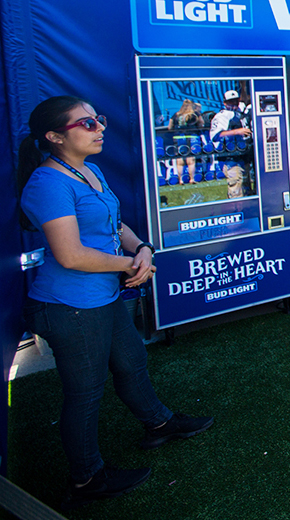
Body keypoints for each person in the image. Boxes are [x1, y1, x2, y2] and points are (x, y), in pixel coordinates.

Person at [18, 96, 214, 510]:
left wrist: (142, 248)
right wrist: (131, 263)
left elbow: (114, 224)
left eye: (99, 120)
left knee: (130, 362)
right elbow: (71, 255)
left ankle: (159, 423)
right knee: (85, 394)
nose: (99, 127)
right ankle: (86, 479)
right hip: (69, 306)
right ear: (54, 137)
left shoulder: (90, 170)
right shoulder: (48, 184)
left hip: (102, 296)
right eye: (86, 123)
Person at [209, 88, 253, 198]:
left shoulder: (240, 111)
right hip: (231, 158)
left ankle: (247, 210)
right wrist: (237, 131)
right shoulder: (222, 116)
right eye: (230, 101)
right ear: (225, 103)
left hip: (244, 155)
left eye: (235, 100)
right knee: (236, 187)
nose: (234, 103)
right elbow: (215, 136)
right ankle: (237, 210)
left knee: (246, 186)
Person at [167, 98, 204, 185]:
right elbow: (201, 124)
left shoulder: (176, 115)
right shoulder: (195, 114)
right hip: (192, 136)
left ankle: (181, 180)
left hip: (179, 137)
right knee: (191, 160)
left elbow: (169, 127)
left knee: (180, 160)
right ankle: (192, 179)